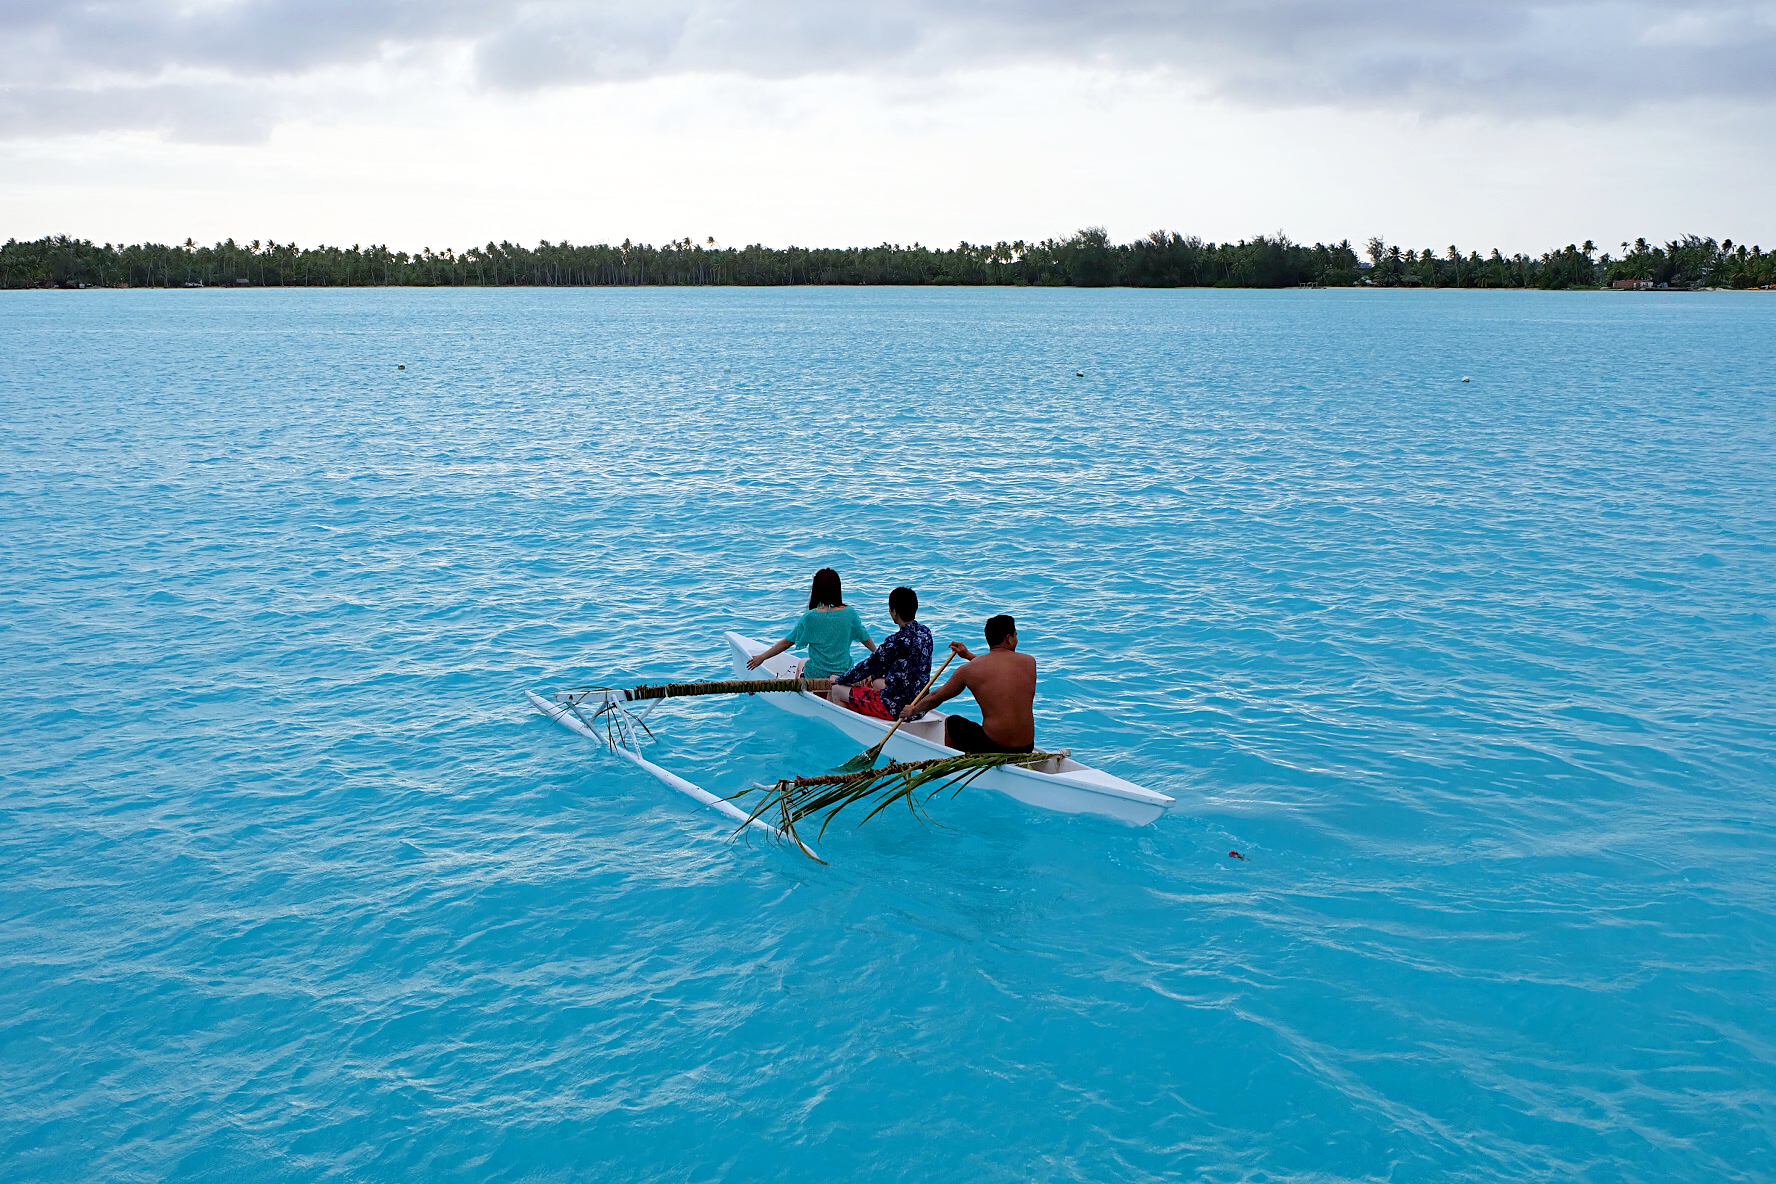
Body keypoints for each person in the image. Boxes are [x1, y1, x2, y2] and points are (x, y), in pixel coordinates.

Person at [899, 614, 1036, 753]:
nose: (1017, 639)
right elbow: (999, 669)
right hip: (1027, 747)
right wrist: (968, 655)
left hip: (994, 747)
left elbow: (936, 697)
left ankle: (952, 764)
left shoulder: (969, 670)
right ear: (1008, 638)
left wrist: (913, 710)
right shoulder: (1030, 662)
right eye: (1016, 635)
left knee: (952, 723)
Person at [746, 568, 876, 678]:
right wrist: (878, 653)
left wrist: (762, 657)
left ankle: (800, 698)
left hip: (816, 675)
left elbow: (787, 642)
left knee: (802, 662)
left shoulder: (811, 617)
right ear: (838, 589)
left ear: (817, 590)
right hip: (843, 674)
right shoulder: (850, 613)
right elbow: (864, 637)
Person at [829, 586, 932, 720]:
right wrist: (873, 676)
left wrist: (839, 679)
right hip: (918, 706)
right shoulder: (926, 633)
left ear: (894, 612)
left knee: (836, 690)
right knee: (876, 681)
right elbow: (900, 665)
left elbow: (866, 667)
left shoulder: (896, 641)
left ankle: (853, 726)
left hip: (897, 709)